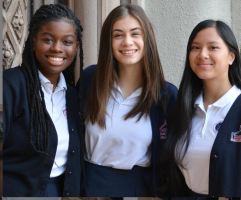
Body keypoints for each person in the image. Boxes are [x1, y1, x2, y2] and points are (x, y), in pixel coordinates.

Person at [80, 4, 178, 197]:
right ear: (108, 41)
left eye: (135, 34)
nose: (127, 42)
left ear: (147, 39)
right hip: (90, 187)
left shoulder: (166, 95)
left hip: (141, 190)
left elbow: (174, 158)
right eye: (118, 35)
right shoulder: (90, 79)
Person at [3, 4, 84, 197]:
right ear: (32, 41)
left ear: (76, 47)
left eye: (67, 41)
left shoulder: (72, 96)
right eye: (47, 39)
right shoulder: (10, 85)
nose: (57, 48)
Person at [160, 19, 241, 197]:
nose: (202, 54)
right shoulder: (183, 107)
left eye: (213, 47)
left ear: (231, 56)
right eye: (195, 47)